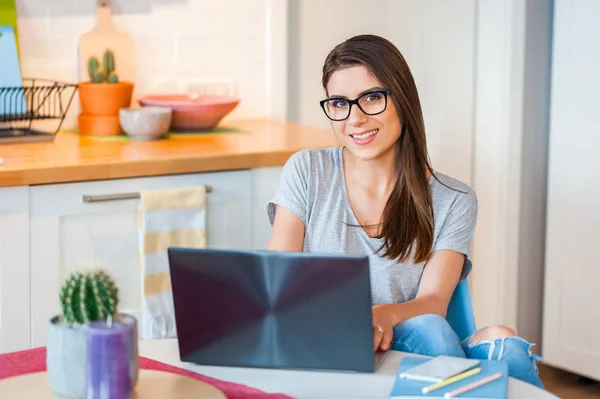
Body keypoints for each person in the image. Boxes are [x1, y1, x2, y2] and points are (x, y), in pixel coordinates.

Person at [266, 34, 544, 389]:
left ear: (403, 99)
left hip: (410, 347)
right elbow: (276, 281)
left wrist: (382, 315)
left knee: (494, 339)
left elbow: (434, 302)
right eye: (339, 103)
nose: (355, 119)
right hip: (327, 346)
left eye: (372, 98)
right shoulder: (306, 171)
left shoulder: (454, 199)